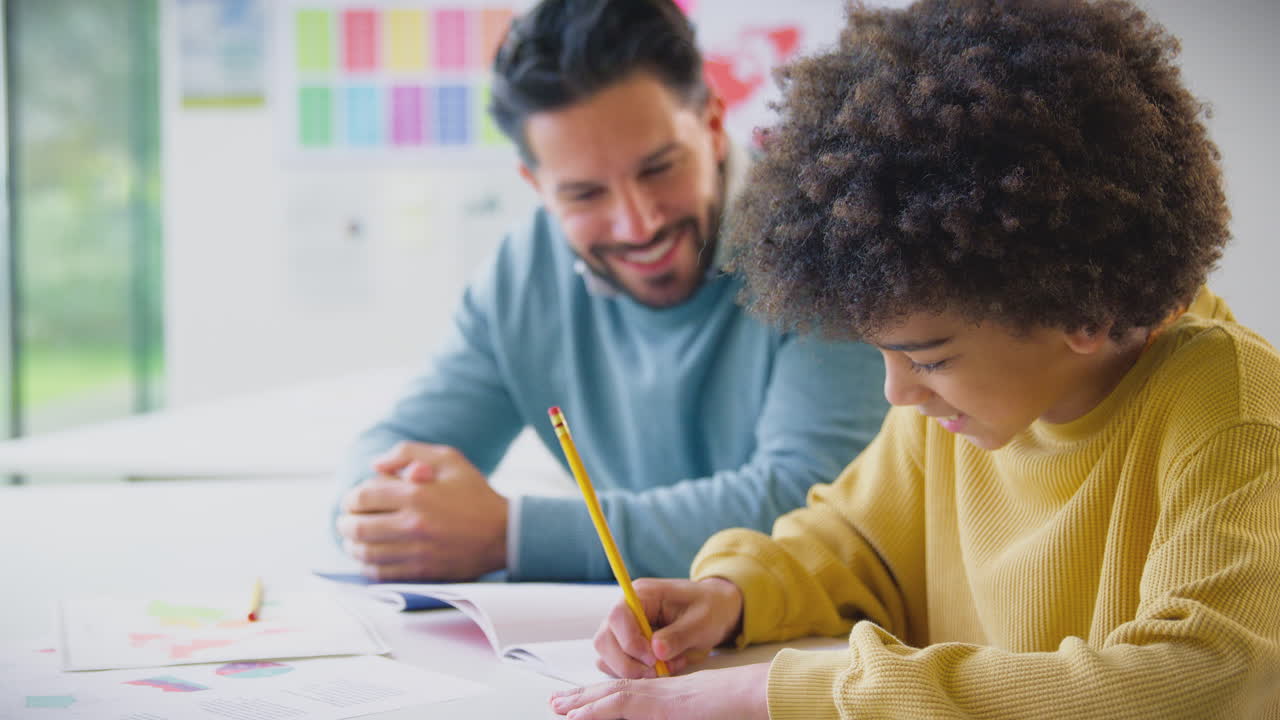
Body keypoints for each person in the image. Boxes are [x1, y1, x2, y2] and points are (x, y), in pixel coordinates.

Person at [554, 0, 1280, 717]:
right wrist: (731, 596)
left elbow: (1203, 675)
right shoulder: (959, 414)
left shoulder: (1232, 412)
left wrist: (773, 692)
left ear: (1080, 312)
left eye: (927, 358)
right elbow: (855, 541)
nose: (898, 392)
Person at [332, 0, 887, 583]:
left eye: (658, 169)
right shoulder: (522, 277)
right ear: (536, 185)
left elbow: (813, 503)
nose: (638, 224)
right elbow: (383, 455)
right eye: (584, 194)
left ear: (714, 126)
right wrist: (382, 517)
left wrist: (512, 535)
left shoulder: (826, 236)